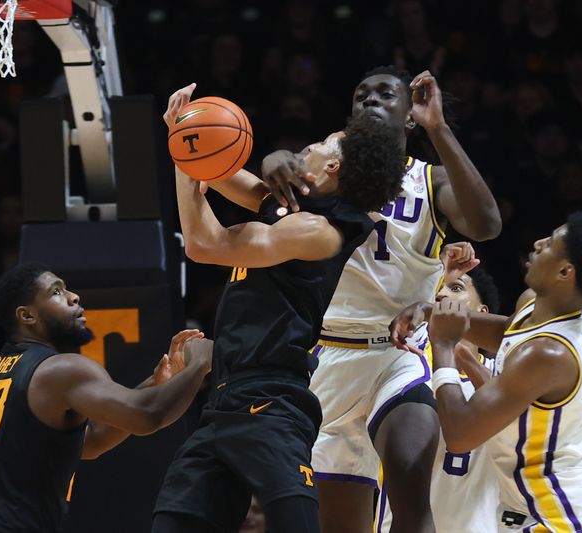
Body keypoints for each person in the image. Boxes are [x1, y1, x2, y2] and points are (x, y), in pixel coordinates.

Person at [152, 84, 407, 533]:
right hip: (223, 400)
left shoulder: (320, 231)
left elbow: (203, 242)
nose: (304, 148)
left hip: (273, 401)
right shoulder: (287, 207)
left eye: (317, 145)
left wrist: (184, 157)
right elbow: (219, 169)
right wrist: (184, 136)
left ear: (330, 167)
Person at [261, 67, 501, 533]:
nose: (369, 99)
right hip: (330, 355)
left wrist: (439, 127)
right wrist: (274, 159)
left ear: (409, 115)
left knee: (411, 491)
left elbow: (487, 223)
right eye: (360, 95)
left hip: (400, 354)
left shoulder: (429, 182)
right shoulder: (326, 172)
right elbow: (271, 180)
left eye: (385, 93)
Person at [391, 211, 582, 531]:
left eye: (550, 244)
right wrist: (432, 311)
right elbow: (508, 333)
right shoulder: (538, 304)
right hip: (523, 508)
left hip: (561, 516)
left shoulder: (550, 353)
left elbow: (460, 436)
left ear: (565, 270)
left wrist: (444, 347)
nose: (538, 243)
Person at [0, 263, 213, 533]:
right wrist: (201, 363)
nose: (73, 296)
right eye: (56, 292)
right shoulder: (62, 369)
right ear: (27, 316)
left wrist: (155, 383)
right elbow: (149, 415)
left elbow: (89, 442)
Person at [376, 263, 502, 533]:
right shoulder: (403, 372)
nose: (441, 295)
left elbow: (514, 428)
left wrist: (459, 354)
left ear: (482, 314)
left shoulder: (502, 377)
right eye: (437, 287)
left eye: (456, 288)